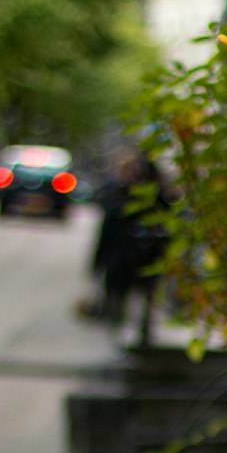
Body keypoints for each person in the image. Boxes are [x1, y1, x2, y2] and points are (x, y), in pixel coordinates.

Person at [89, 147, 170, 347]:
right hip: (123, 261)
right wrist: (98, 263)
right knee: (119, 307)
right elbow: (107, 232)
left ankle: (138, 340)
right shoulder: (118, 195)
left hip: (144, 260)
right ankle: (119, 343)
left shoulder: (153, 197)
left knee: (143, 306)